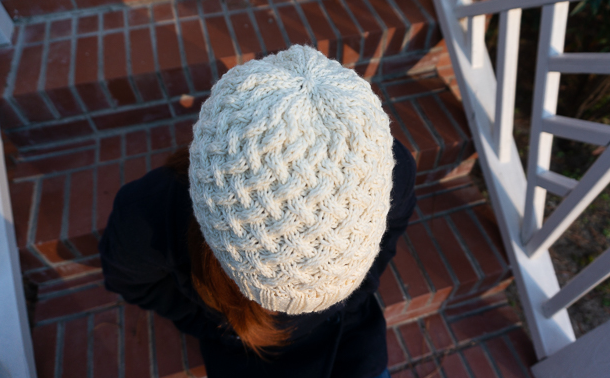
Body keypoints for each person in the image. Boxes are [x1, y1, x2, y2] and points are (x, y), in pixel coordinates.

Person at [99, 45, 416, 378]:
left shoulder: (380, 168)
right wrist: (217, 325)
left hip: (352, 340)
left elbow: (392, 228)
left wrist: (355, 293)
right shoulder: (149, 218)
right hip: (245, 355)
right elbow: (134, 282)